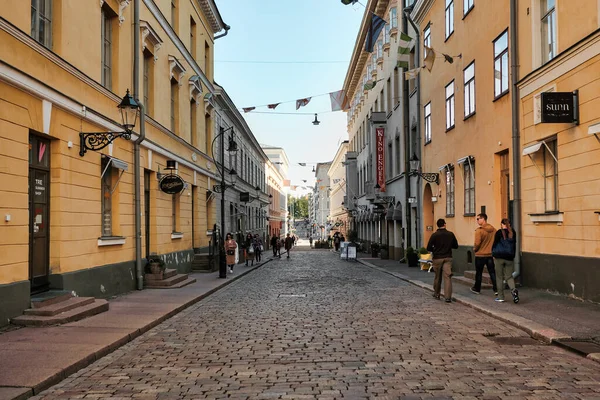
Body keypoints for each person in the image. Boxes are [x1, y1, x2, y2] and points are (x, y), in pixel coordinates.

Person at [427, 219, 459, 303]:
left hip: (437, 258)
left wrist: (435, 249)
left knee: (438, 277)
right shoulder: (450, 234)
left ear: (437, 225)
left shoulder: (434, 235)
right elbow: (456, 246)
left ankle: (437, 294)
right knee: (447, 277)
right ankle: (448, 297)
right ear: (444, 224)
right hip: (448, 258)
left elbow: (428, 247)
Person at [492, 218, 519, 303]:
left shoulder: (499, 232)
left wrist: (493, 254)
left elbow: (494, 244)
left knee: (499, 277)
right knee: (509, 276)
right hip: (509, 258)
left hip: (499, 257)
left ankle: (501, 297)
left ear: (502, 224)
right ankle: (513, 290)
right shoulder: (513, 233)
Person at [472, 213, 498, 295]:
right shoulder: (493, 230)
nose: (477, 220)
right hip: (490, 255)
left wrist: (475, 249)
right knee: (492, 272)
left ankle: (477, 288)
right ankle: (496, 289)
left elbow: (477, 243)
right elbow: (496, 240)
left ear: (483, 219)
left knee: (479, 272)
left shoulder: (479, 231)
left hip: (480, 255)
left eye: (478, 219)